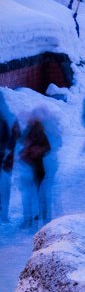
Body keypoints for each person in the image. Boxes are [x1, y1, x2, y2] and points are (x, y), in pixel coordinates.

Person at [17, 114, 50, 227]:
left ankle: (39, 214)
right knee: (30, 194)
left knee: (36, 193)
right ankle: (33, 216)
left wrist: (37, 150)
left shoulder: (40, 134)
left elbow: (47, 148)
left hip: (37, 169)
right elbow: (21, 143)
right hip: (30, 168)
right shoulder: (28, 132)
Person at [0, 93, 17, 224]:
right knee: (5, 187)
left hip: (5, 158)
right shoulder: (11, 116)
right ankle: (4, 215)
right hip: (7, 160)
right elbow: (17, 134)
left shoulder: (7, 118)